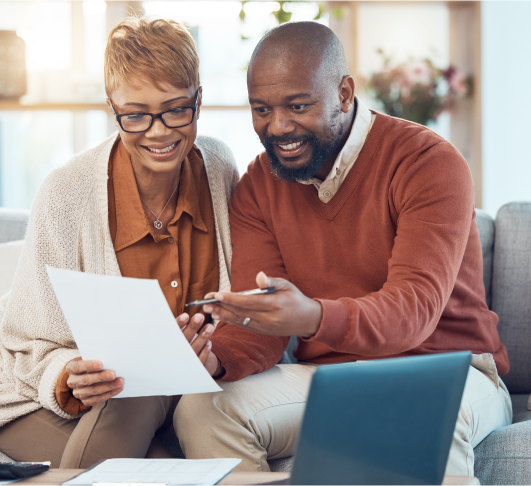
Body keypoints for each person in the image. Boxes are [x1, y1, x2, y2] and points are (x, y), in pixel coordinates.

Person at [173, 22, 512, 476]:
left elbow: (413, 310)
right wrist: (215, 360)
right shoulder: (258, 186)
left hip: (448, 370)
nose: (277, 127)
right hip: (332, 377)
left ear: (345, 93)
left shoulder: (428, 163)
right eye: (261, 109)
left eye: (298, 106)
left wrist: (311, 316)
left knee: (417, 413)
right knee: (201, 408)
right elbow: (260, 324)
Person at [0, 16, 237, 468]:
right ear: (111, 107)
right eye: (135, 115)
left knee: (148, 400)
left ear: (199, 98)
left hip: (160, 395)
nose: (158, 132)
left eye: (176, 109)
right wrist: (68, 374)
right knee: (136, 402)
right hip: (28, 394)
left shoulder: (218, 168)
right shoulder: (66, 192)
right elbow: (28, 338)